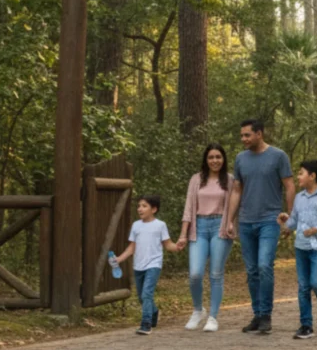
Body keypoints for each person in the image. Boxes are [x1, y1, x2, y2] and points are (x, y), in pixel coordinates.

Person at [226, 118, 294, 334]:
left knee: (265, 266)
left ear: (259, 134)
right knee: (252, 270)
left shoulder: (278, 156)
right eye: (242, 136)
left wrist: (290, 217)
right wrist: (229, 219)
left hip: (270, 220)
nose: (243, 139)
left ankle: (266, 315)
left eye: (247, 135)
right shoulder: (240, 159)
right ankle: (257, 314)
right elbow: (236, 190)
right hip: (246, 221)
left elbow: (289, 186)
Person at [177, 143, 234, 333]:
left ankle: (213, 317)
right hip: (198, 227)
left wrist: (232, 223)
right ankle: (198, 310)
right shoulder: (196, 179)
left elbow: (235, 206)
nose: (215, 160)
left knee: (216, 274)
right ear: (206, 160)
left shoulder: (230, 180)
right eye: (211, 157)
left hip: (220, 227)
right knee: (195, 274)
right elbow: (188, 208)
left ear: (223, 159)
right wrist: (183, 234)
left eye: (218, 157)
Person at [278, 159, 317, 339]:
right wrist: (285, 222)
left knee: (316, 283)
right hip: (301, 247)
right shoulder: (299, 198)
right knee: (303, 286)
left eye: (301, 173)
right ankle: (306, 325)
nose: (298, 176)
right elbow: (294, 222)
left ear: (313, 176)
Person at [113, 195, 179, 335]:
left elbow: (168, 245)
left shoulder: (160, 225)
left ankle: (146, 324)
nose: (140, 209)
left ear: (154, 209)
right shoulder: (136, 225)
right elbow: (132, 247)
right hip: (138, 266)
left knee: (146, 294)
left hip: (153, 265)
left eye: (144, 206)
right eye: (139, 206)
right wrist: (119, 259)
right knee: (141, 297)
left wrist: (178, 246)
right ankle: (154, 312)